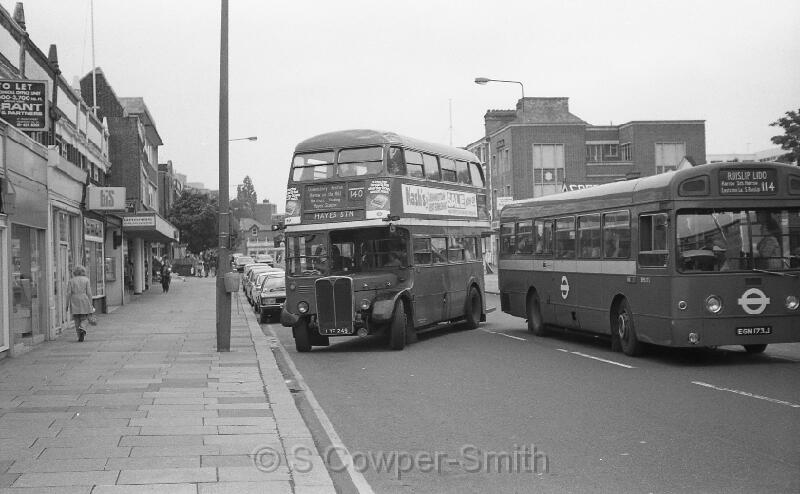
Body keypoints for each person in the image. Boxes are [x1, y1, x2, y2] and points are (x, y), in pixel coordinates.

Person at [66, 265, 93, 342]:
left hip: (74, 299)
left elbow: (68, 293)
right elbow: (89, 292)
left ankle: (79, 336)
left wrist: (66, 304)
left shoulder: (71, 281)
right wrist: (90, 303)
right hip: (84, 299)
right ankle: (83, 327)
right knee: (84, 317)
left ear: (74, 272)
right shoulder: (86, 280)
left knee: (76, 318)